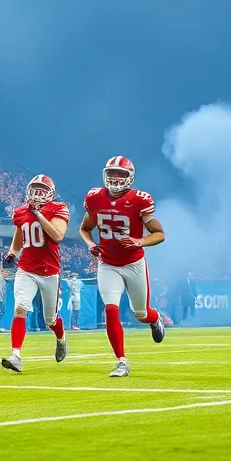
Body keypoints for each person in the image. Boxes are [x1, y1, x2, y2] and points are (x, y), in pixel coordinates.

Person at [80, 157, 167, 377]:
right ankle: (121, 361)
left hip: (133, 263)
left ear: (130, 177)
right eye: (112, 174)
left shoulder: (140, 200)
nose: (115, 178)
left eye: (120, 174)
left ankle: (155, 319)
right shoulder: (94, 197)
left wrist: (139, 241)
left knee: (141, 313)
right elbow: (84, 228)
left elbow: (159, 234)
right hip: (108, 263)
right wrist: (91, 244)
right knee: (111, 309)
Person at [1, 174, 70, 373]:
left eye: (42, 190)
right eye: (35, 189)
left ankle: (60, 336)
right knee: (20, 308)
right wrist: (13, 252)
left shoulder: (58, 208)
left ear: (51, 193)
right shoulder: (21, 212)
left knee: (50, 319)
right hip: (26, 269)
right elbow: (19, 234)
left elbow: (58, 235)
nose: (38, 194)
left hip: (49, 271)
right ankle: (16, 356)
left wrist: (39, 215)